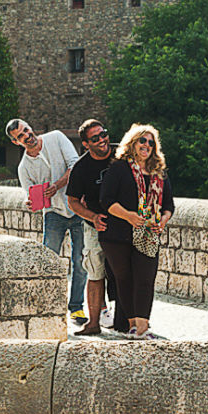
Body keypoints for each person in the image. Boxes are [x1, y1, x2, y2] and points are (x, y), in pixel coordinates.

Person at [7, 118, 88, 325]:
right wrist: (30, 201)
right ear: (16, 142)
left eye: (26, 130)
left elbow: (77, 166)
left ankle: (76, 308)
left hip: (78, 207)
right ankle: (48, 307)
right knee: (48, 262)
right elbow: (29, 195)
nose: (27, 135)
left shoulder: (57, 137)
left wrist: (58, 184)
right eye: (21, 136)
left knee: (80, 261)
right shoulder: (24, 168)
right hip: (53, 213)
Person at [99, 124, 174, 339]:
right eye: (143, 141)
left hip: (148, 235)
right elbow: (107, 200)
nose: (147, 146)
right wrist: (129, 216)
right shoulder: (119, 169)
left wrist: (163, 220)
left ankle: (142, 327)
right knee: (124, 279)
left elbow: (169, 204)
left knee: (145, 279)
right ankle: (132, 325)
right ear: (132, 143)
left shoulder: (159, 173)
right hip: (117, 235)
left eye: (151, 143)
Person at [66, 119, 122, 336]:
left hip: (124, 223)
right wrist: (92, 217)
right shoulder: (81, 168)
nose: (102, 140)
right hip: (95, 226)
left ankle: (130, 321)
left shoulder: (121, 154)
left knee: (127, 272)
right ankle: (93, 323)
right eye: (95, 138)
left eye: (103, 134)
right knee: (95, 272)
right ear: (86, 144)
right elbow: (72, 201)